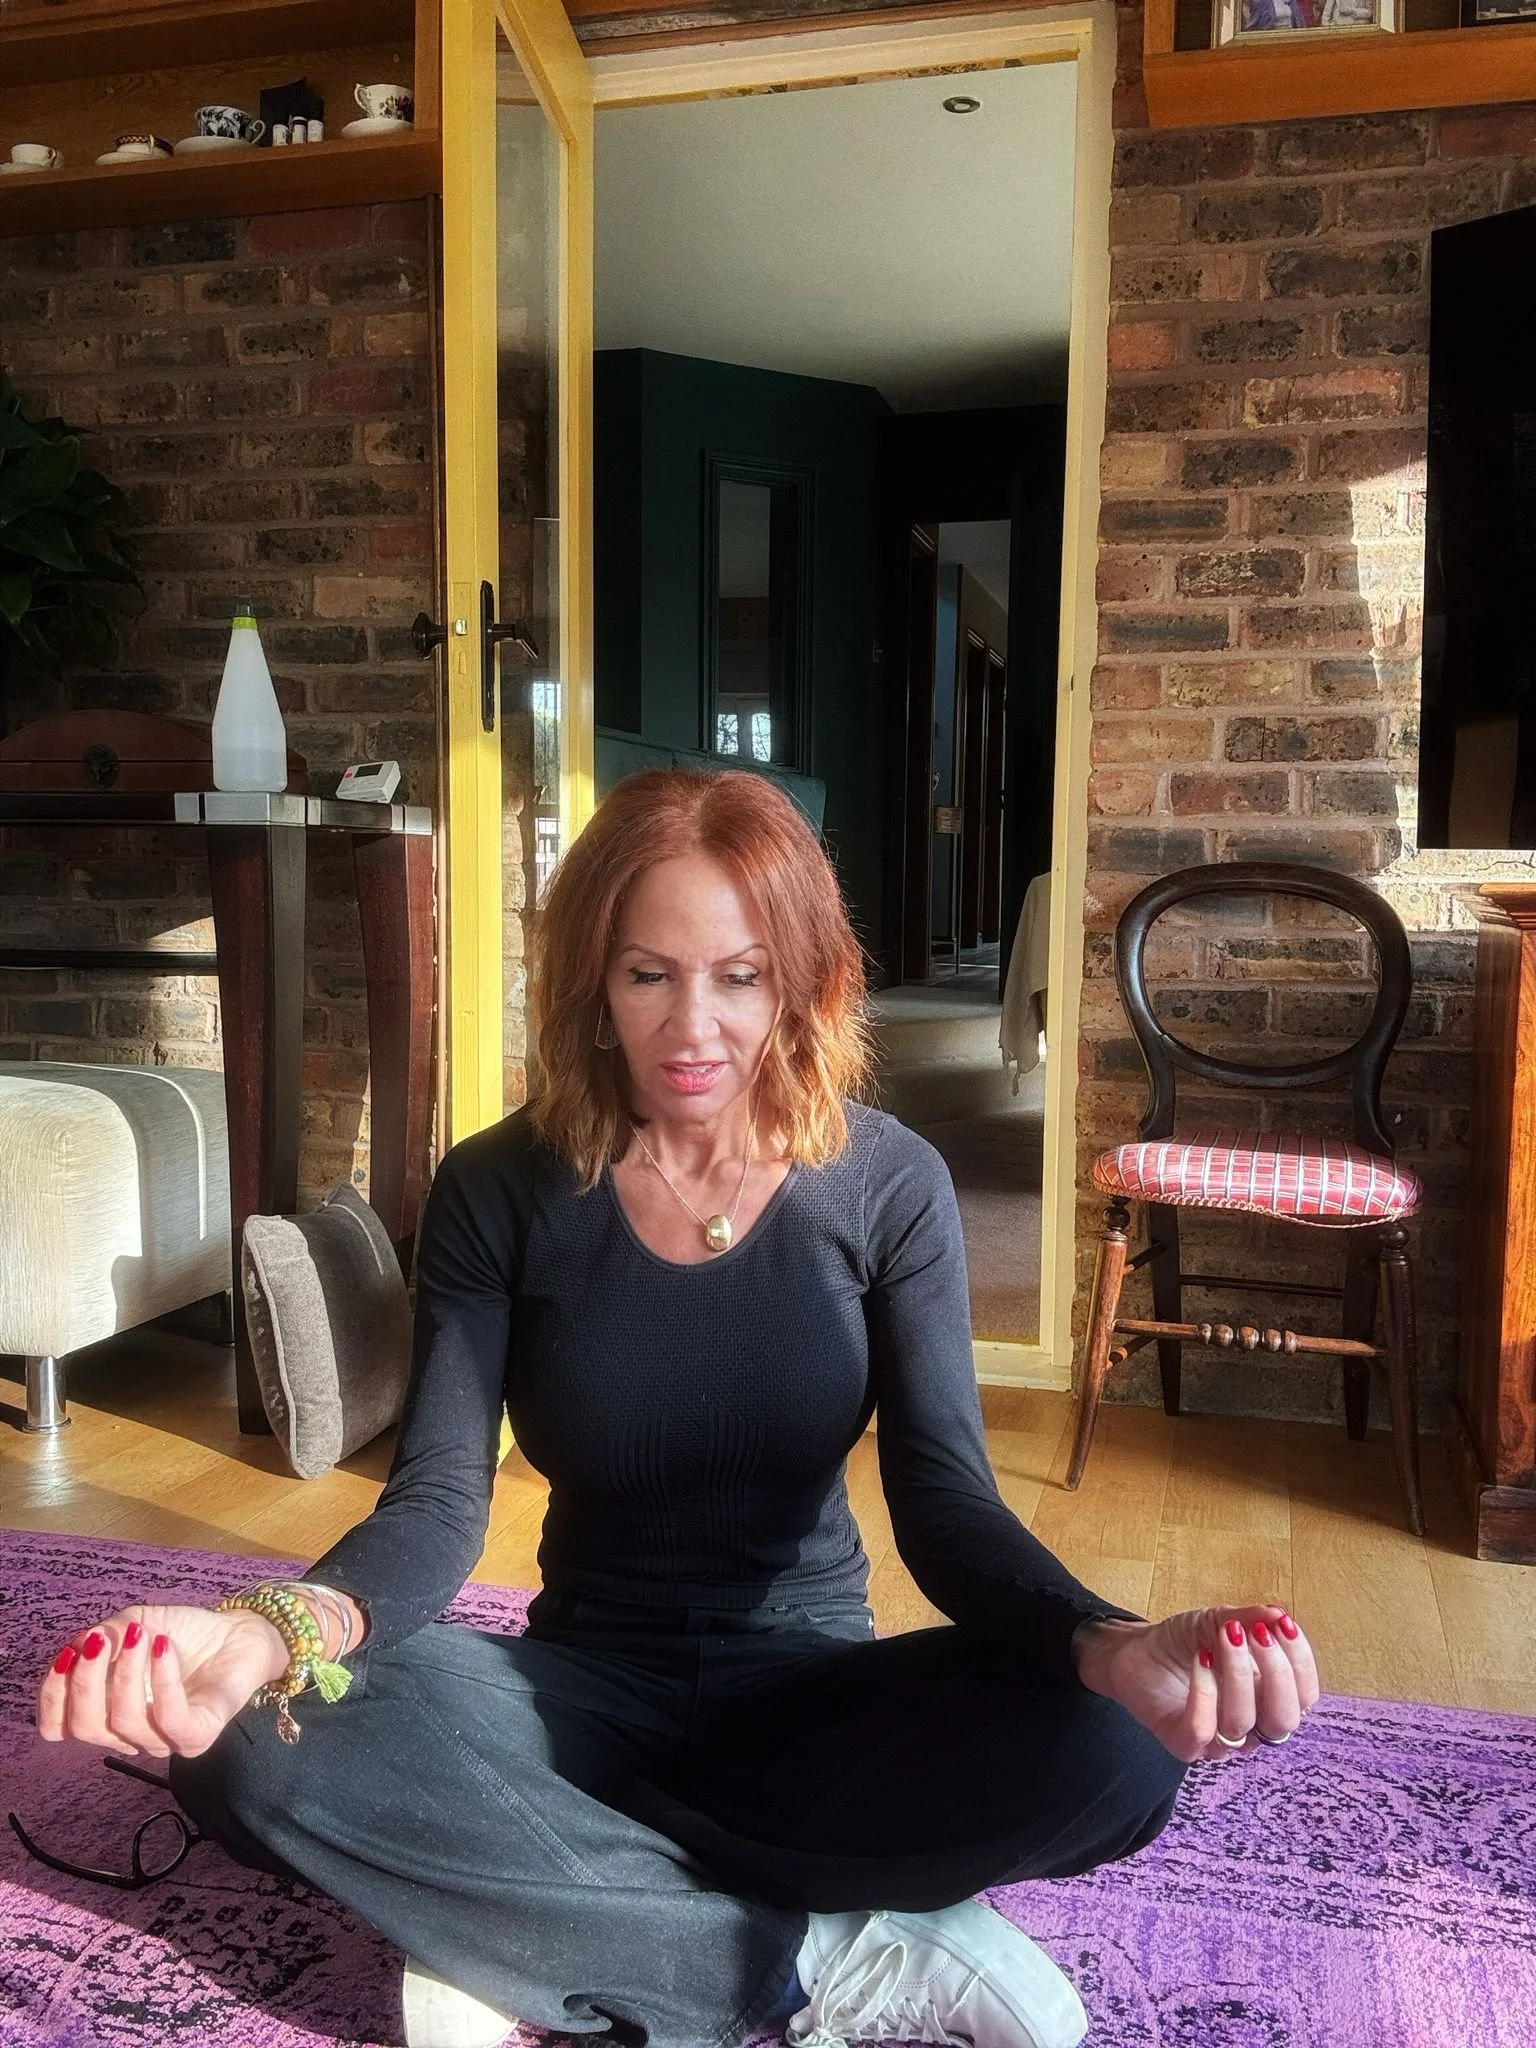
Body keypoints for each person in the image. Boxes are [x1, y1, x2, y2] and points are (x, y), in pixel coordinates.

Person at [35, 769, 1320, 2048]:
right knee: (244, 1737)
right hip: (572, 1695)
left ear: (802, 978)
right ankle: (816, 1953)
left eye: (741, 975)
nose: (693, 1025)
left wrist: (1104, 1638)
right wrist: (270, 1626)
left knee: (1116, 1748)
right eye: (650, 973)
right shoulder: (497, 1187)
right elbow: (435, 1503)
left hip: (811, 1696)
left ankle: (544, 1921)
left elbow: (947, 1503)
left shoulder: (890, 1185)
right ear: (593, 978)